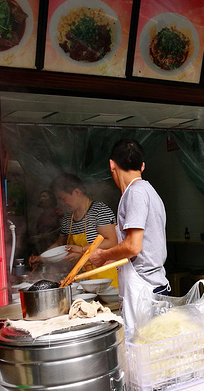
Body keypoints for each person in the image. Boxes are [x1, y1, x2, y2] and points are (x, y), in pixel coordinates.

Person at [90, 139, 169, 332]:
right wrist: (114, 260)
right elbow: (139, 248)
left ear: (111, 165)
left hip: (145, 289)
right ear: (142, 166)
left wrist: (103, 255)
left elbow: (134, 246)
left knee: (145, 350)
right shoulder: (146, 191)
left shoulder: (136, 193)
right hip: (149, 285)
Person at [29, 173, 119, 287]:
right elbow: (59, 243)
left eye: (64, 198)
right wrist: (41, 257)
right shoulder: (68, 219)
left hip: (105, 278)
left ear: (77, 192)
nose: (62, 203)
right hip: (82, 280)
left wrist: (82, 250)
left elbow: (112, 241)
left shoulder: (100, 211)